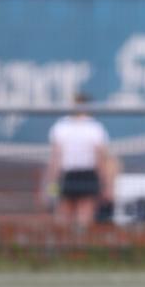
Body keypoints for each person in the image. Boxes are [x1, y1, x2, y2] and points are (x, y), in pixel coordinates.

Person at [46, 93, 111, 227]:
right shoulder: (94, 128)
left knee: (65, 216)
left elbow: (55, 160)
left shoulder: (62, 127)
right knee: (82, 216)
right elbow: (100, 160)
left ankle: (66, 245)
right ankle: (79, 244)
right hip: (83, 174)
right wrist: (106, 184)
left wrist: (51, 182)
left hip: (71, 174)